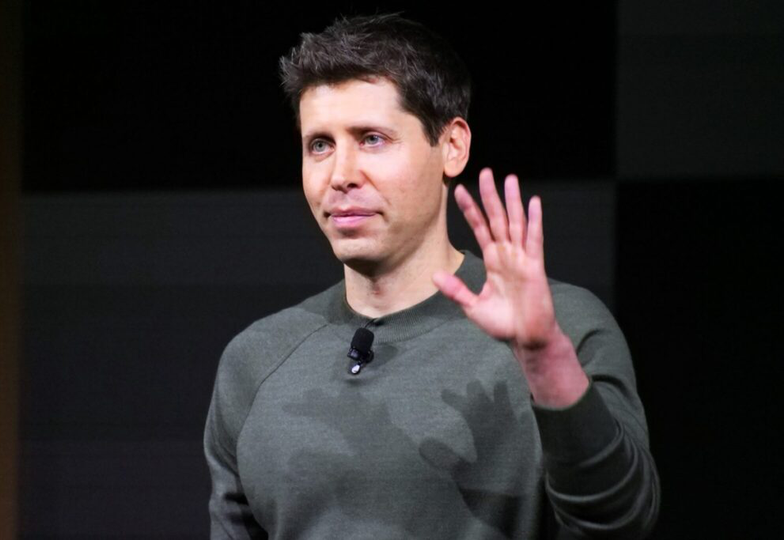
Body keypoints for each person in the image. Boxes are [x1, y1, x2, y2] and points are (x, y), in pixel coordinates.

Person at [204, 13, 660, 539]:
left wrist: (543, 361)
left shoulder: (565, 327)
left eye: (372, 138)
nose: (341, 175)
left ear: (452, 146)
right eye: (320, 145)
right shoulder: (255, 360)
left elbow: (622, 523)